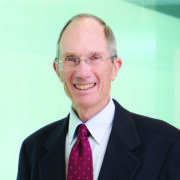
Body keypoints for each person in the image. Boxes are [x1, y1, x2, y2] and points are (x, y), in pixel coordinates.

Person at [17, 14, 180, 180]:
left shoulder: (167, 145)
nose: (82, 73)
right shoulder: (32, 150)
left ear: (115, 68)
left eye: (95, 58)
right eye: (71, 59)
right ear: (57, 69)